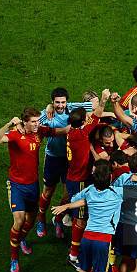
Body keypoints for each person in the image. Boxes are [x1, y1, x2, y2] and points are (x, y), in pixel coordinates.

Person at [0, 107, 67, 272]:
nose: (36, 124)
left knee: (29, 222)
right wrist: (9, 123)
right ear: (24, 122)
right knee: (18, 221)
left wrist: (79, 126)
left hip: (32, 185)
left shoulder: (39, 132)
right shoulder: (15, 134)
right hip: (17, 185)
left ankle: (21, 239)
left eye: (37, 121)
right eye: (33, 122)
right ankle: (14, 258)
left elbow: (60, 131)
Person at [51, 159, 123, 272]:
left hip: (87, 238)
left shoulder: (89, 191)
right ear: (110, 177)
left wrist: (67, 205)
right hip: (102, 240)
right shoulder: (118, 193)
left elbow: (79, 199)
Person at [36, 88, 93, 238]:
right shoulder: (45, 115)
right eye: (56, 103)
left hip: (69, 161)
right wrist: (63, 129)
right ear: (52, 102)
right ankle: (41, 218)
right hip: (53, 158)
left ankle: (59, 219)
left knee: (68, 194)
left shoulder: (73, 108)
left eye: (63, 102)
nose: (60, 105)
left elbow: (93, 105)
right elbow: (36, 127)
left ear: (67, 101)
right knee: (48, 192)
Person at [65, 90, 110, 269]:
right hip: (80, 180)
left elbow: (93, 116)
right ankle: (73, 255)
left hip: (73, 177)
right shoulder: (82, 134)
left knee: (81, 217)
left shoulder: (72, 132)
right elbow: (97, 115)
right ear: (83, 122)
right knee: (81, 220)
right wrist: (104, 99)